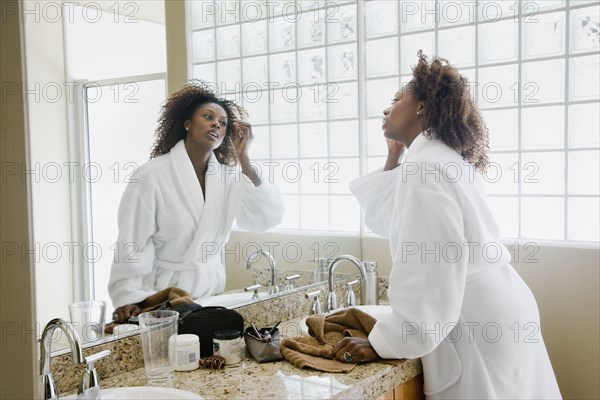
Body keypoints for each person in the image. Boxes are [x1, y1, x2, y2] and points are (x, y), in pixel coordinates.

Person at [332, 52, 562, 399]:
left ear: (422, 108)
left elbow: (429, 269)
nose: (386, 109)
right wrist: (395, 156)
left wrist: (385, 342)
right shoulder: (438, 159)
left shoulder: (426, 168)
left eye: (397, 100)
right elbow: (386, 219)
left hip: (476, 323)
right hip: (502, 307)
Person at [109, 80, 284, 322]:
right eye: (208, 116)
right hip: (165, 300)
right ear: (187, 123)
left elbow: (266, 218)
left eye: (223, 123)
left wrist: (245, 161)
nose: (216, 124)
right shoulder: (151, 175)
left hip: (212, 295)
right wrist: (130, 297)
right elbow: (133, 242)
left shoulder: (229, 178)